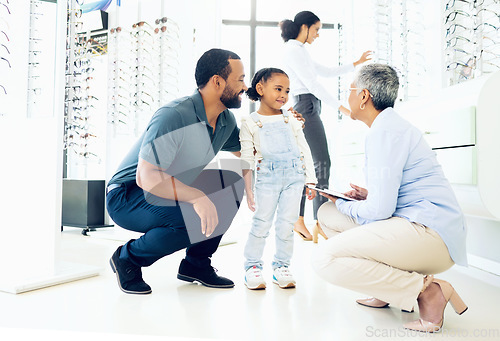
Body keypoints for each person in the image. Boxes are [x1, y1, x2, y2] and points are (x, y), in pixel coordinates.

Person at [312, 63, 468, 332]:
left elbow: (380, 212)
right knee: (327, 214)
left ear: (363, 96)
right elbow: (389, 198)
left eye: (350, 90)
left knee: (324, 259)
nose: (347, 96)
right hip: (419, 223)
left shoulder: (385, 132)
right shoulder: (387, 127)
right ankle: (386, 288)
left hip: (432, 235)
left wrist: (347, 204)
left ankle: (427, 292)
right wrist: (365, 197)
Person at [106, 48, 248, 294]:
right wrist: (197, 197)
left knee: (230, 185)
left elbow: (249, 150)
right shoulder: (174, 116)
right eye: (240, 79)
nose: (245, 87)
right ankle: (128, 258)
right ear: (217, 81)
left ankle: (196, 265)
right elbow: (146, 177)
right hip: (127, 195)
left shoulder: (226, 120)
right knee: (192, 218)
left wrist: (282, 122)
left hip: (168, 189)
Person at [280, 11, 372, 242]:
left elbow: (327, 72)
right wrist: (343, 109)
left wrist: (356, 63)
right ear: (305, 27)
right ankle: (320, 222)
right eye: (317, 30)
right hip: (307, 106)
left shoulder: (299, 51)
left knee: (310, 165)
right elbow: (312, 83)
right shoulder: (294, 50)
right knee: (320, 163)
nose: (318, 35)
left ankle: (304, 220)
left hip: (309, 106)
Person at [240, 68, 317, 290]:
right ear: (260, 89)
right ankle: (252, 267)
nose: (283, 94)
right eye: (278, 89)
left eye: (287, 90)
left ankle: (281, 266)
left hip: (294, 177)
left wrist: (310, 180)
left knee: (286, 224)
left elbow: (304, 149)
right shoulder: (250, 122)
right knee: (261, 223)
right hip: (267, 179)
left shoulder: (290, 118)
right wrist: (248, 189)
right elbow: (246, 159)